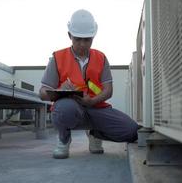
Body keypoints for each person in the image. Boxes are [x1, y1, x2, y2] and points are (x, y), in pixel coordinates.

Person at [39, 9, 139, 159]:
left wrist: (92, 100)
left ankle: (94, 133)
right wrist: (59, 90)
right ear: (69, 36)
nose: (82, 44)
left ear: (93, 37)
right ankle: (64, 139)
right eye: (78, 39)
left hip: (96, 108)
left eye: (87, 39)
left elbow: (108, 90)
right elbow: (42, 92)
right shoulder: (57, 58)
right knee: (64, 109)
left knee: (131, 131)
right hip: (71, 109)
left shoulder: (101, 58)